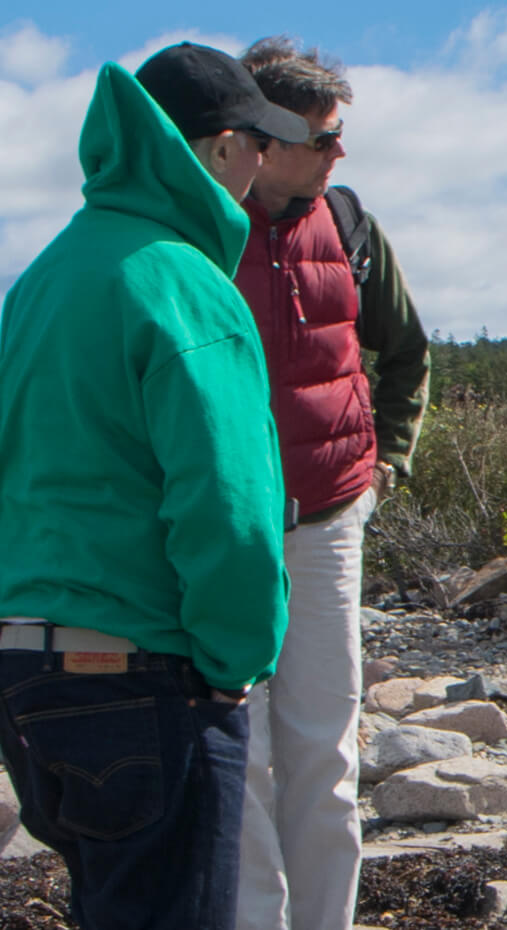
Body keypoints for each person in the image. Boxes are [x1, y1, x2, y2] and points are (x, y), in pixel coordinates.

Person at [0, 42, 303, 929]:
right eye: (259, 140)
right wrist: (235, 661)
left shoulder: (42, 278)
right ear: (215, 150)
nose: (267, 161)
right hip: (143, 672)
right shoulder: (185, 284)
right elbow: (229, 509)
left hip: (26, 675)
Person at [228, 36, 430, 930]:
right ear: (257, 137)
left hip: (331, 516)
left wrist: (388, 462)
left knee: (325, 753)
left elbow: (409, 353)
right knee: (240, 757)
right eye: (321, 138)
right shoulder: (193, 229)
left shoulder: (348, 222)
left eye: (339, 134)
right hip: (220, 529)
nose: (337, 153)